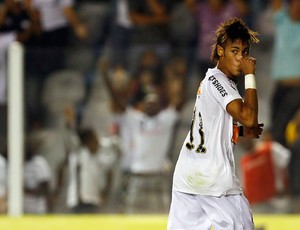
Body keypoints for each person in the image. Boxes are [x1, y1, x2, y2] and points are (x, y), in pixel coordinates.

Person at [167, 18, 263, 230]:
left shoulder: (213, 81)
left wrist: (239, 131)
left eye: (244, 52)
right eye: (234, 51)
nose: (240, 58)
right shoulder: (218, 80)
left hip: (187, 178)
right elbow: (249, 117)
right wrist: (250, 75)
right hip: (213, 180)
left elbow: (212, 128)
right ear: (220, 51)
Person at [269, 0, 300, 147]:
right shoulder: (282, 20)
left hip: (297, 88)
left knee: (286, 127)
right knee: (275, 125)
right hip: (280, 85)